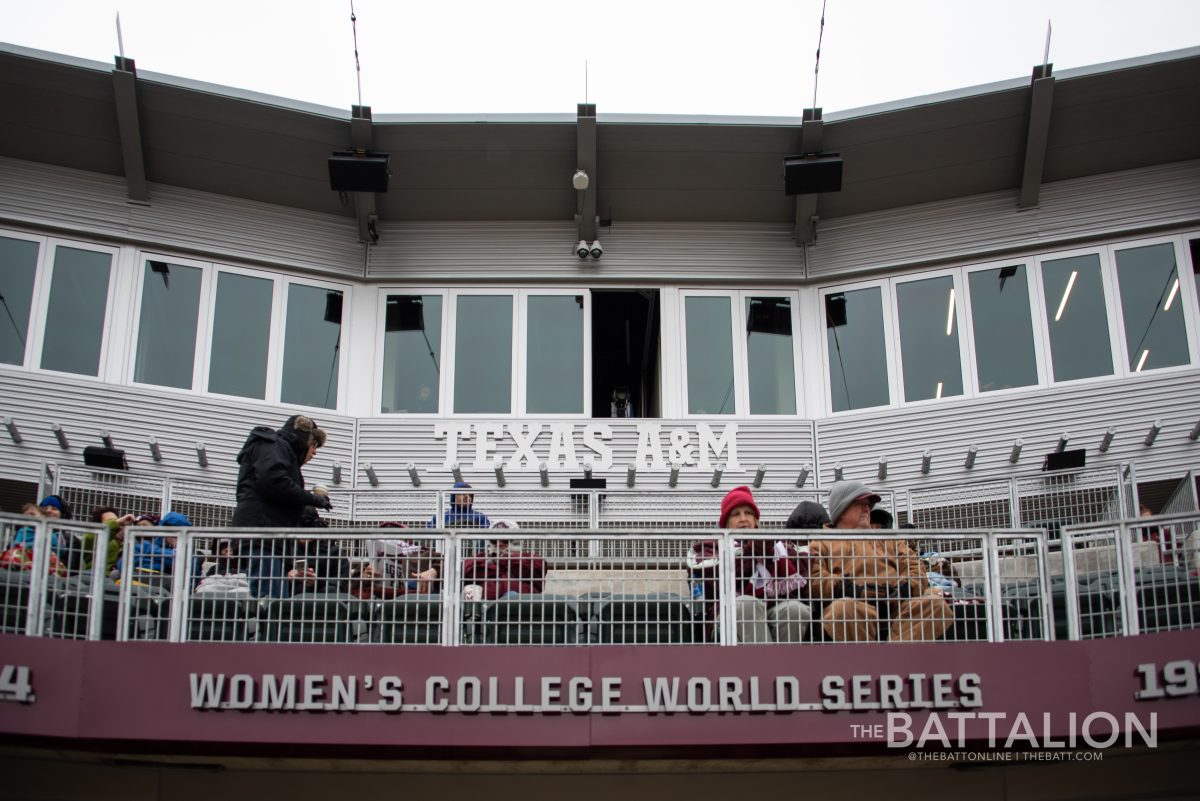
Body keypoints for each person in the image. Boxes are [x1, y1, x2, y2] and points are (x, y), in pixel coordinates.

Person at [809, 480, 953, 643]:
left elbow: (915, 568)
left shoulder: (889, 539)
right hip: (855, 606)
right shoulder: (820, 542)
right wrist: (853, 590)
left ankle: (894, 659)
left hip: (897, 605)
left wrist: (903, 590)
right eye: (860, 504)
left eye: (868, 505)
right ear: (841, 509)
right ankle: (865, 664)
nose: (867, 509)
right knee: (841, 610)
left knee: (934, 603)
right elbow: (815, 579)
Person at [692, 486, 810, 644]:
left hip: (770, 608)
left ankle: (784, 666)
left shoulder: (777, 546)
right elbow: (710, 580)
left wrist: (769, 552)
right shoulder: (712, 547)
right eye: (735, 514)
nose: (743, 519)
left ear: (756, 520)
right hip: (726, 619)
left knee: (795, 609)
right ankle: (767, 668)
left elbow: (801, 582)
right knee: (747, 604)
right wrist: (751, 552)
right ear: (725, 524)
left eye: (748, 513)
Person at [231, 415, 331, 598]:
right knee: (269, 598)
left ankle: (268, 625)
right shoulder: (272, 444)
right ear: (304, 439)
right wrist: (312, 499)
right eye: (314, 445)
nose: (314, 453)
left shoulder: (277, 449)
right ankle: (265, 626)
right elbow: (274, 482)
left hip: (269, 534)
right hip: (262, 532)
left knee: (275, 600)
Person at [460, 521, 546, 600]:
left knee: (512, 597)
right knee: (470, 593)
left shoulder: (527, 557)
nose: (499, 543)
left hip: (517, 605)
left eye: (505, 539)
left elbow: (538, 567)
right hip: (485, 605)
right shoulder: (481, 557)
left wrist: (501, 560)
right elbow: (466, 570)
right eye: (494, 540)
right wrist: (496, 562)